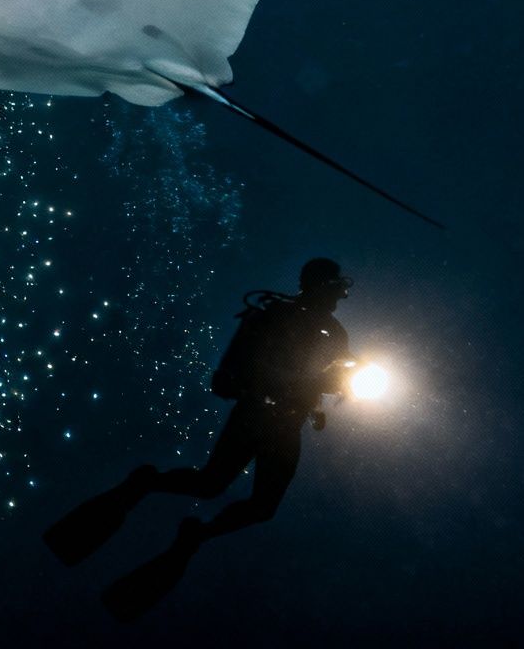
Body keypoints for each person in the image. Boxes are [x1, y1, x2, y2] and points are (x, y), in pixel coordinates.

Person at [43, 257, 359, 622]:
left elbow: (338, 373)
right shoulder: (275, 317)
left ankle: (196, 534)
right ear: (317, 286)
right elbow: (244, 373)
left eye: (341, 290)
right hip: (256, 413)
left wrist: (341, 384)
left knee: (262, 507)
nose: (340, 296)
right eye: (336, 288)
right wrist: (306, 385)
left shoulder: (336, 334)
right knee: (211, 484)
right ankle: (145, 484)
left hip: (288, 423)